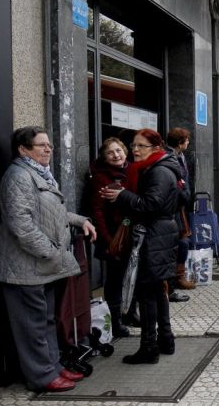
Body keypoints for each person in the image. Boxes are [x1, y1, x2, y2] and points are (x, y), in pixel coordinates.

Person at [0, 126, 97, 392]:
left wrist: (80, 220)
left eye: (49, 144)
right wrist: (50, 250)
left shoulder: (39, 174)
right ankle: (41, 376)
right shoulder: (18, 176)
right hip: (25, 266)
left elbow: (53, 211)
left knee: (46, 319)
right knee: (32, 325)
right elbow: (20, 224)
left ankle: (53, 367)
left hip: (42, 266)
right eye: (41, 145)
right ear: (23, 149)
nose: (48, 149)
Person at [100, 128, 180, 364]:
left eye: (140, 146)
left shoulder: (159, 171)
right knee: (157, 290)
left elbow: (150, 204)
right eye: (133, 145)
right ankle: (165, 339)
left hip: (154, 236)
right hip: (157, 234)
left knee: (147, 292)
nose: (134, 150)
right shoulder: (155, 168)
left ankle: (149, 348)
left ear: (155, 149)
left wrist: (122, 195)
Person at [89, 137, 134, 338]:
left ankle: (131, 314)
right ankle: (115, 322)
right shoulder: (101, 178)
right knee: (115, 281)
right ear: (104, 157)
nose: (116, 155)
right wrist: (108, 240)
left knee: (133, 276)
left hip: (133, 233)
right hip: (114, 237)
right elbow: (97, 212)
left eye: (119, 150)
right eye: (110, 152)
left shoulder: (133, 171)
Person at [165, 127, 194, 302]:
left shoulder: (180, 156)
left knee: (184, 240)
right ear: (180, 142)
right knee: (180, 242)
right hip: (174, 207)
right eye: (187, 140)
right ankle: (175, 280)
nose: (188, 143)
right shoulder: (171, 157)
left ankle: (177, 277)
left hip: (182, 206)